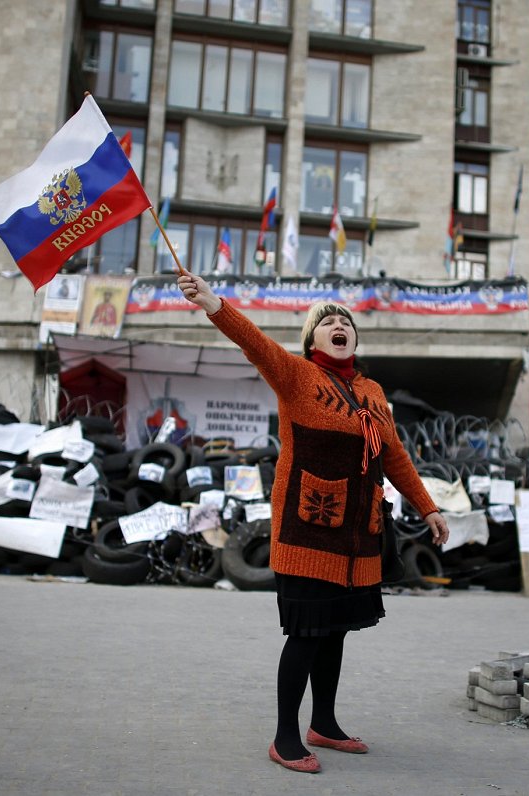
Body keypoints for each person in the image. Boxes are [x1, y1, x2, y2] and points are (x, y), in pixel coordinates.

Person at [177, 267, 450, 774]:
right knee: (306, 633)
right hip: (308, 529)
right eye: (327, 322)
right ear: (311, 339)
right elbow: (253, 341)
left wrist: (428, 505)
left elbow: (394, 456)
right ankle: (285, 736)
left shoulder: (371, 392)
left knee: (336, 630)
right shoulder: (296, 376)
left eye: (345, 320)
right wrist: (212, 302)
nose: (338, 325)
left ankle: (323, 722)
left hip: (359, 537)